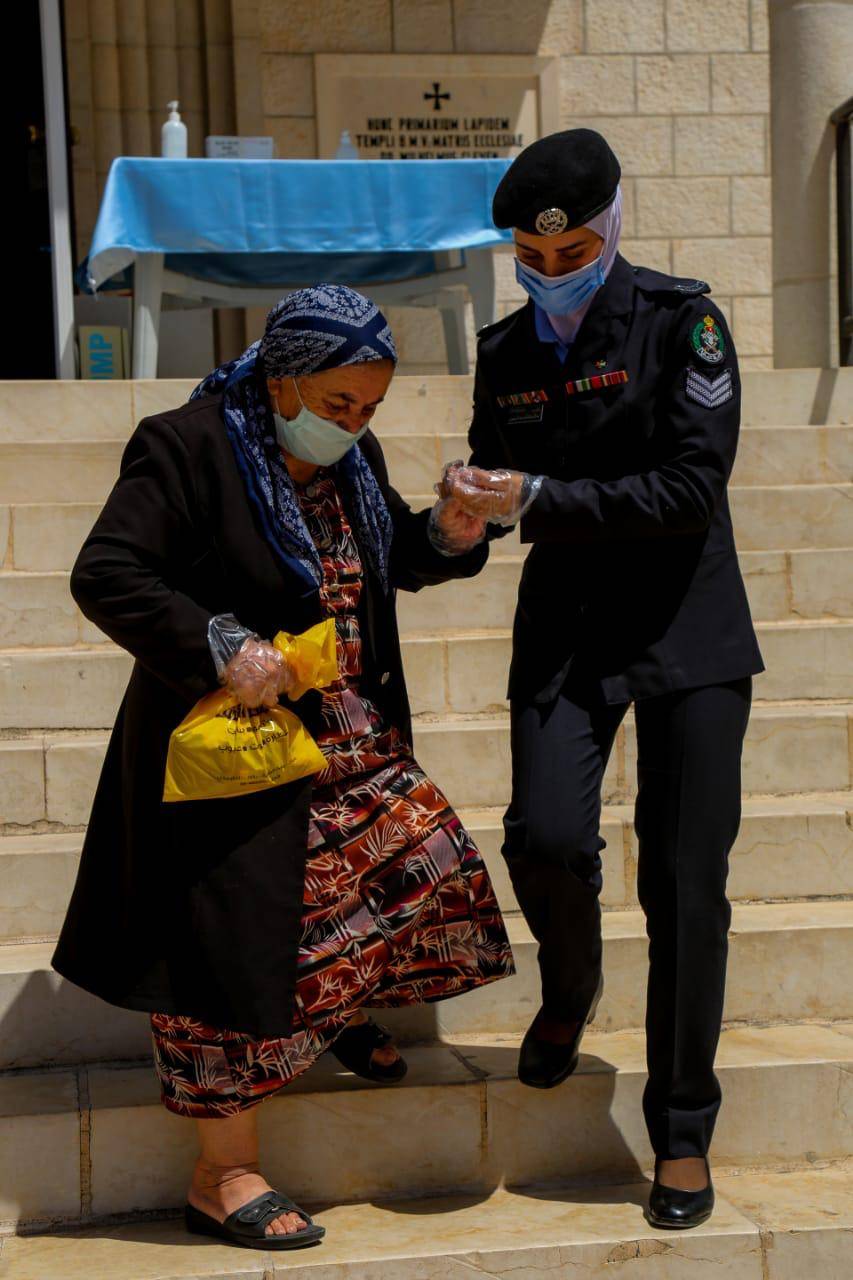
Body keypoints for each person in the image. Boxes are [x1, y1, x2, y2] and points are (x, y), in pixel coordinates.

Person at [52, 285, 513, 1252]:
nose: (353, 425)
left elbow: (385, 555)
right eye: (339, 405)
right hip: (237, 759)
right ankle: (223, 1175)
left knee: (424, 858)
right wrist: (218, 639)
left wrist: (452, 533)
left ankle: (331, 1009)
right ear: (284, 375)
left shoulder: (348, 457)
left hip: (348, 733)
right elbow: (107, 571)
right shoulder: (185, 445)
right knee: (223, 959)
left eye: (370, 409)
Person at [441, 129, 764, 1230]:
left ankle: (681, 1129)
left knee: (683, 885)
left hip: (687, 630)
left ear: (612, 225)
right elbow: (492, 504)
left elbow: (687, 485)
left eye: (573, 250)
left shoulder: (685, 323)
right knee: (540, 835)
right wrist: (456, 519)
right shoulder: (505, 351)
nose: (551, 271)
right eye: (532, 259)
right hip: (568, 633)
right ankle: (570, 986)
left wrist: (533, 502)